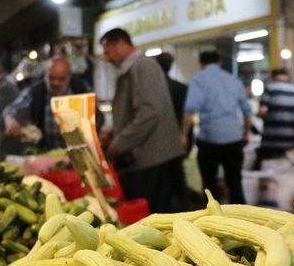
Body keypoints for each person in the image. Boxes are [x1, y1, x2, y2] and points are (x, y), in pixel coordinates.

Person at [100, 28, 184, 213]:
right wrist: (114, 132)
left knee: (158, 216)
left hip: (154, 159)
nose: (106, 57)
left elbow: (149, 111)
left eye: (108, 51)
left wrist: (119, 143)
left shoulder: (142, 66)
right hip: (147, 159)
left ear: (122, 44)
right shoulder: (132, 69)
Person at [183, 51, 252, 204]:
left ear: (201, 64)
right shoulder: (233, 79)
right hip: (233, 139)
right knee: (235, 182)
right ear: (219, 62)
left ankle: (213, 222)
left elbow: (190, 110)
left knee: (210, 186)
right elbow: (247, 112)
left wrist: (183, 134)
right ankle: (242, 221)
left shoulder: (199, 79)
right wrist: (245, 133)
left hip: (209, 140)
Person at [3, 56, 90, 149]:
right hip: (45, 151)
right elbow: (11, 109)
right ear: (45, 75)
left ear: (69, 76)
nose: (55, 83)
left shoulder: (80, 89)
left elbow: (97, 117)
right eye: (51, 78)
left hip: (78, 149)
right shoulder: (36, 91)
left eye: (61, 79)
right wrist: (10, 120)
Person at [254, 68, 294, 170]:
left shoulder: (270, 89)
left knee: (267, 175)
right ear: (288, 76)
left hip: (271, 142)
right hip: (291, 141)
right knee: (287, 175)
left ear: (272, 76)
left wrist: (258, 116)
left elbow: (263, 110)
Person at [156, 52, 189, 212]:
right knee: (178, 175)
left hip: (160, 139)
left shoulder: (155, 89)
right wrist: (185, 134)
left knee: (163, 179)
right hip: (179, 137)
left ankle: (168, 212)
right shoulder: (182, 87)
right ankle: (184, 209)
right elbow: (187, 114)